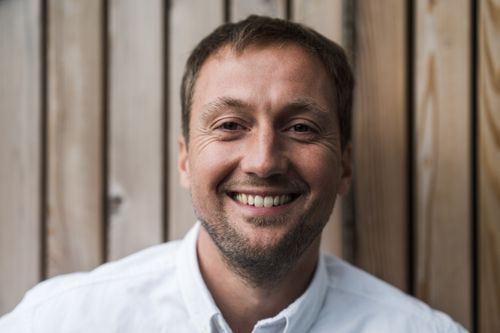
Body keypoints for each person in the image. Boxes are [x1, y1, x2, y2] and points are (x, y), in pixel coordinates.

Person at [0, 15, 466, 333]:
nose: (263, 161)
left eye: (301, 127)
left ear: (344, 165)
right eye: (229, 126)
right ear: (185, 159)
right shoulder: (61, 322)